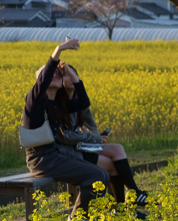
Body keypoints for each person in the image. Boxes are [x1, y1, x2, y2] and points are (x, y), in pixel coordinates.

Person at [23, 39, 109, 219]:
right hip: (42, 160)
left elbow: (83, 103)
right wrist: (58, 50)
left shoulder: (56, 105)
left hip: (56, 155)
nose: (55, 74)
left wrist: (72, 76)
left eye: (58, 74)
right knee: (96, 176)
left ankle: (85, 218)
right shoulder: (35, 101)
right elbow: (43, 81)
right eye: (51, 73)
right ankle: (78, 220)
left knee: (102, 174)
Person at [55, 66, 148, 208]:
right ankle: (124, 207)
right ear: (59, 81)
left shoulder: (79, 100)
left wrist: (96, 138)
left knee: (117, 149)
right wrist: (93, 139)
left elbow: (90, 123)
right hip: (69, 151)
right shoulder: (59, 104)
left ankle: (134, 194)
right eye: (67, 75)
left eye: (74, 74)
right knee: (112, 166)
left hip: (79, 146)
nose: (72, 78)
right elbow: (65, 137)